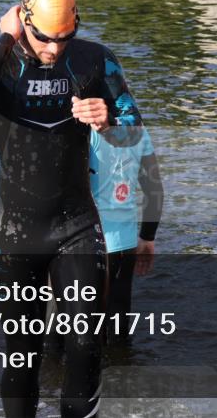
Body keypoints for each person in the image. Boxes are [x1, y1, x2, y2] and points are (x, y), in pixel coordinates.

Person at [0, 0, 143, 418]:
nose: (55, 49)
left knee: (86, 345)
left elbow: (136, 133)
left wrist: (108, 121)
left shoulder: (94, 60)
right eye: (43, 38)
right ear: (22, 20)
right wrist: (6, 39)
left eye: (65, 37)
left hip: (77, 226)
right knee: (23, 354)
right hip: (17, 233)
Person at [89, 124, 163, 344]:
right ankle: (121, 369)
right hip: (125, 244)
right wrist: (148, 237)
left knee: (64, 328)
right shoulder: (137, 130)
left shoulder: (78, 127)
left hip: (81, 241)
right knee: (118, 326)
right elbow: (154, 189)